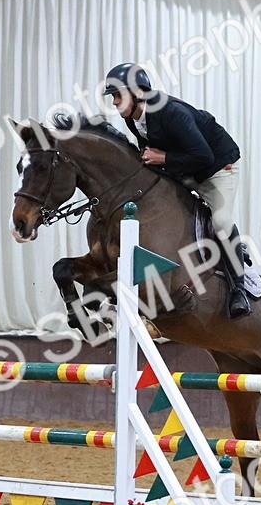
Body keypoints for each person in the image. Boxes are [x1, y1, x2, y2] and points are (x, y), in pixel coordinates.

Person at [102, 62, 250, 319]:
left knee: (221, 221)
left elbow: (203, 155)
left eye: (117, 95)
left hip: (216, 167)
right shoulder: (132, 118)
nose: (114, 102)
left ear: (138, 93)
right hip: (184, 167)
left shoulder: (172, 112)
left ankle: (239, 288)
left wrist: (164, 159)